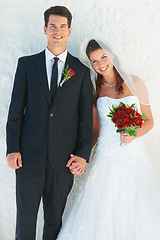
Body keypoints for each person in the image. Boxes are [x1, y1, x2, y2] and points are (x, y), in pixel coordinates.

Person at [56, 37, 160, 240]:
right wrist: (81, 155)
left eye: (103, 57)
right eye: (94, 61)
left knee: (134, 206)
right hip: (105, 157)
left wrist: (133, 133)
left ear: (112, 55)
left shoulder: (135, 82)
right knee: (103, 206)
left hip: (133, 157)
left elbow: (149, 121)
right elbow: (94, 132)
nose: (100, 64)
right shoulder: (95, 91)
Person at [6, 6, 93, 240]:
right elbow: (15, 111)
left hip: (63, 161)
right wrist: (12, 147)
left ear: (69, 31)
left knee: (54, 221)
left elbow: (86, 119)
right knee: (25, 219)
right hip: (28, 157)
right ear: (45, 29)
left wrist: (83, 154)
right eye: (53, 26)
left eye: (62, 26)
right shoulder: (26, 65)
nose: (57, 31)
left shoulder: (81, 72)